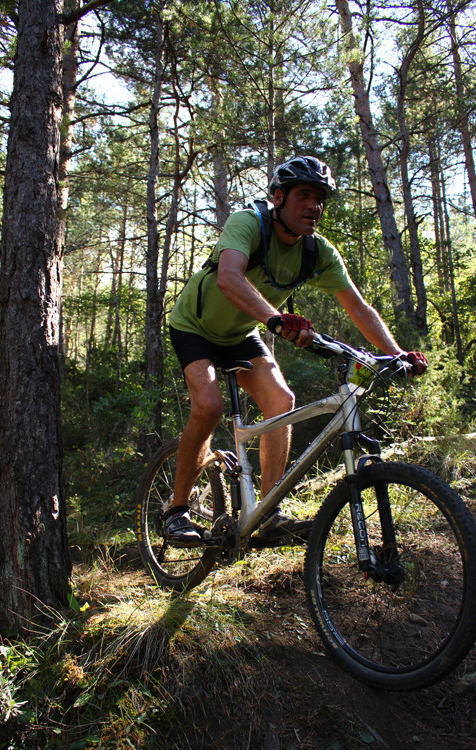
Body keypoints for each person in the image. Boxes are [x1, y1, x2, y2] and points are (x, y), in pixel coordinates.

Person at [165, 156, 428, 545]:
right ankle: (177, 509)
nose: (314, 206)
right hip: (195, 326)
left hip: (241, 333)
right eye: (304, 195)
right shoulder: (248, 224)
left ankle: (267, 510)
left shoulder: (317, 252)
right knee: (209, 406)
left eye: (320, 198)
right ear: (278, 197)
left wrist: (397, 354)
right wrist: (276, 320)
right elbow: (228, 277)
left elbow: (358, 308)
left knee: (281, 399)